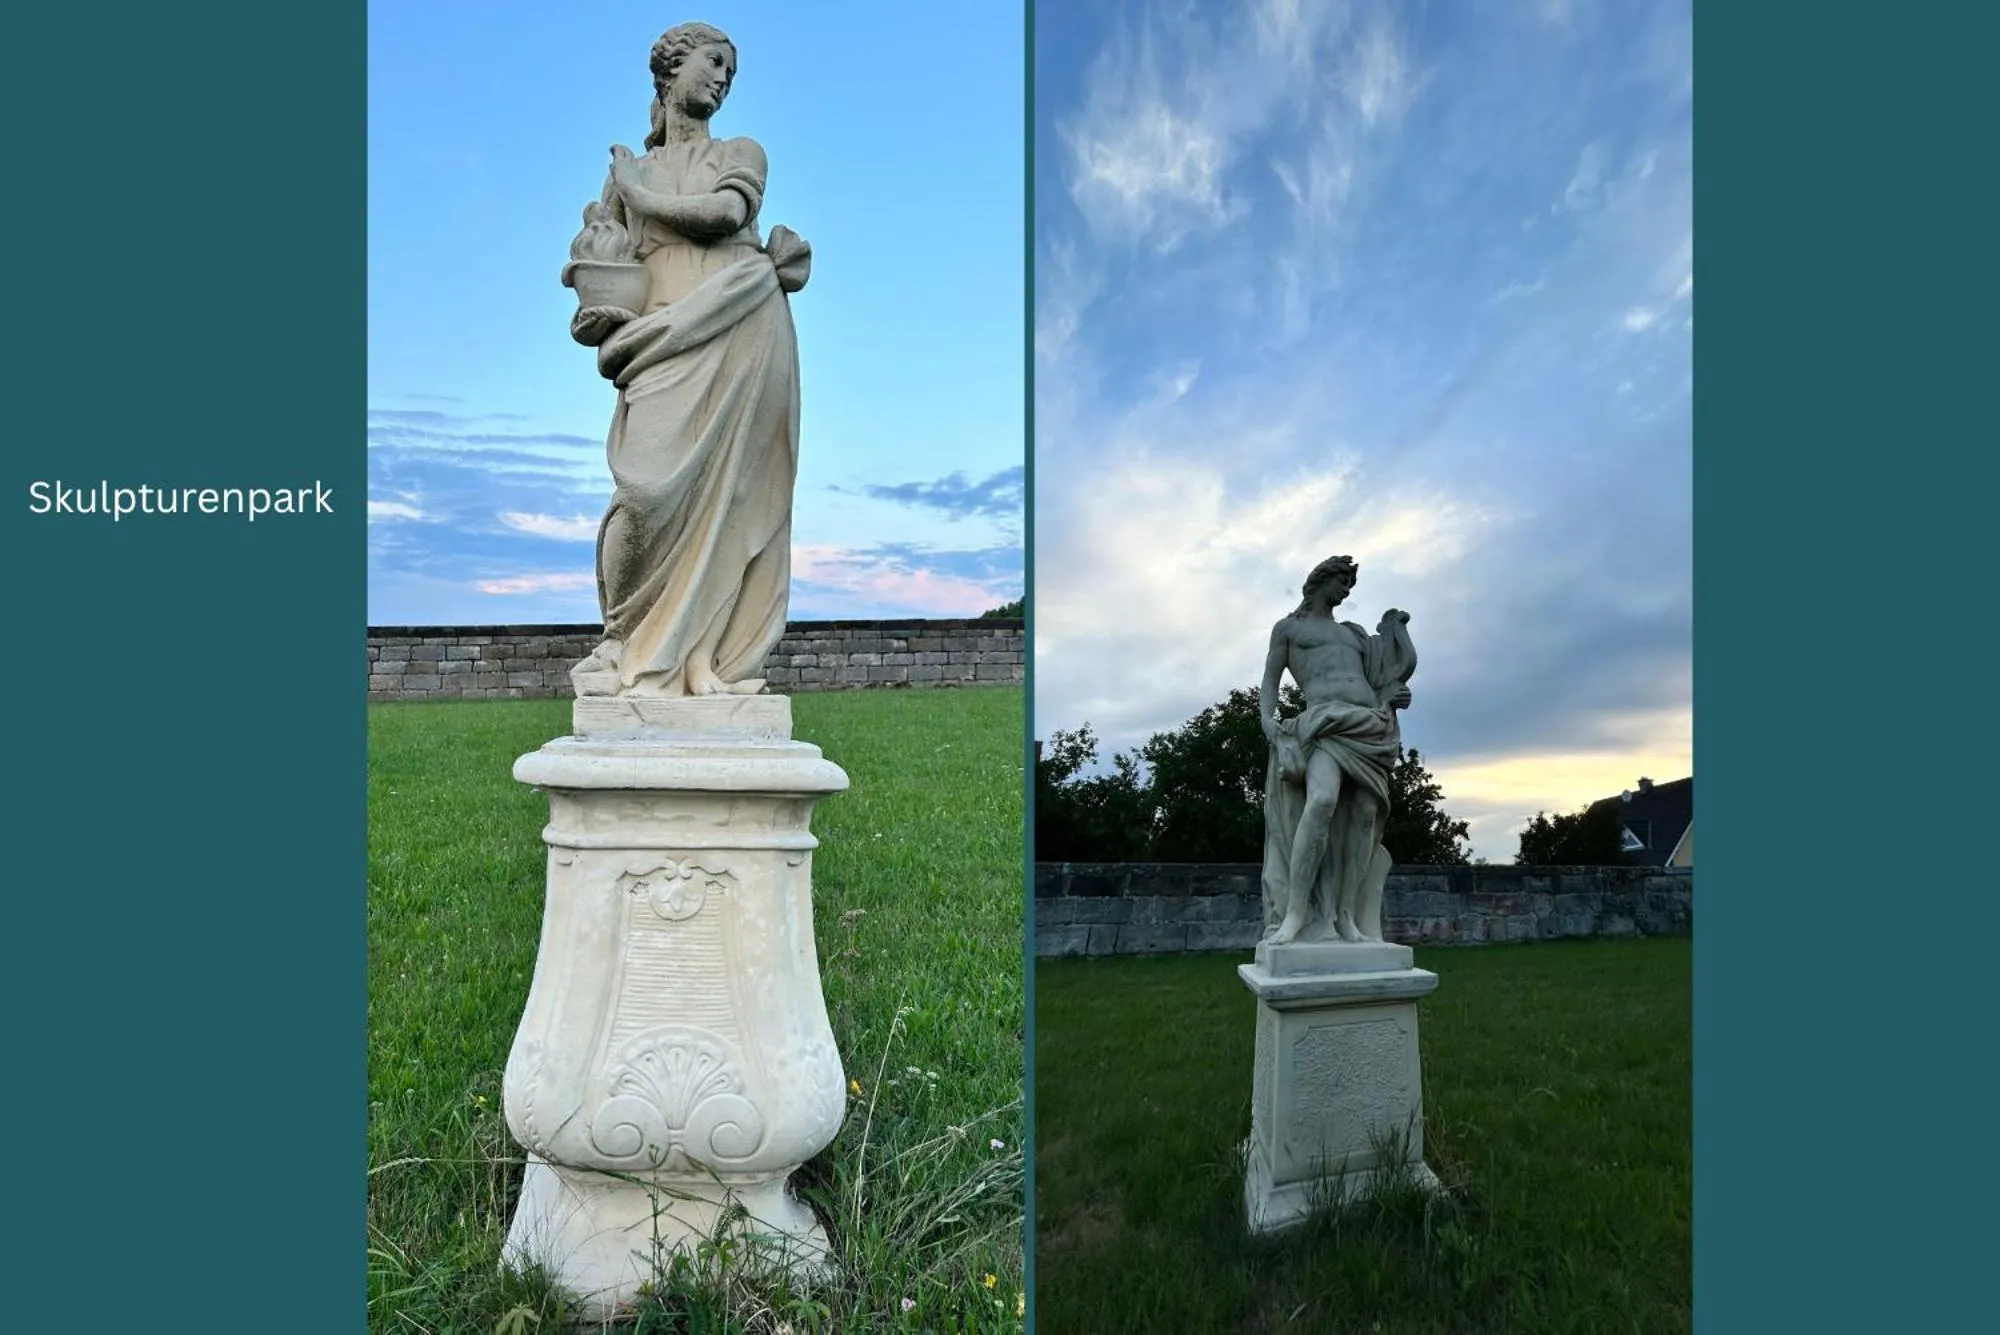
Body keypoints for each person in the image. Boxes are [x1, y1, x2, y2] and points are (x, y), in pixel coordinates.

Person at [568, 22, 812, 697]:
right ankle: (623, 641)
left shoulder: (740, 152)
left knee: (733, 497)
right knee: (644, 494)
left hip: (741, 319)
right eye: (712, 63)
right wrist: (599, 242)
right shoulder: (627, 174)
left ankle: (704, 658)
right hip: (660, 339)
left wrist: (636, 192)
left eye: (729, 73)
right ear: (671, 71)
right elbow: (599, 260)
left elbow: (726, 215)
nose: (721, 79)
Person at [1258, 555, 1416, 944]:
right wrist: (1270, 726)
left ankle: (1345, 914)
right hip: (1324, 725)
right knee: (1322, 800)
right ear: (1321, 580)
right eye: (1342, 581)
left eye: (1350, 583)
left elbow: (1383, 676)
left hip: (1369, 727)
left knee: (1364, 815)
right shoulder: (1288, 629)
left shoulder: (1354, 634)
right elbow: (1269, 683)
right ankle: (1296, 914)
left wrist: (1393, 693)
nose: (1347, 590)